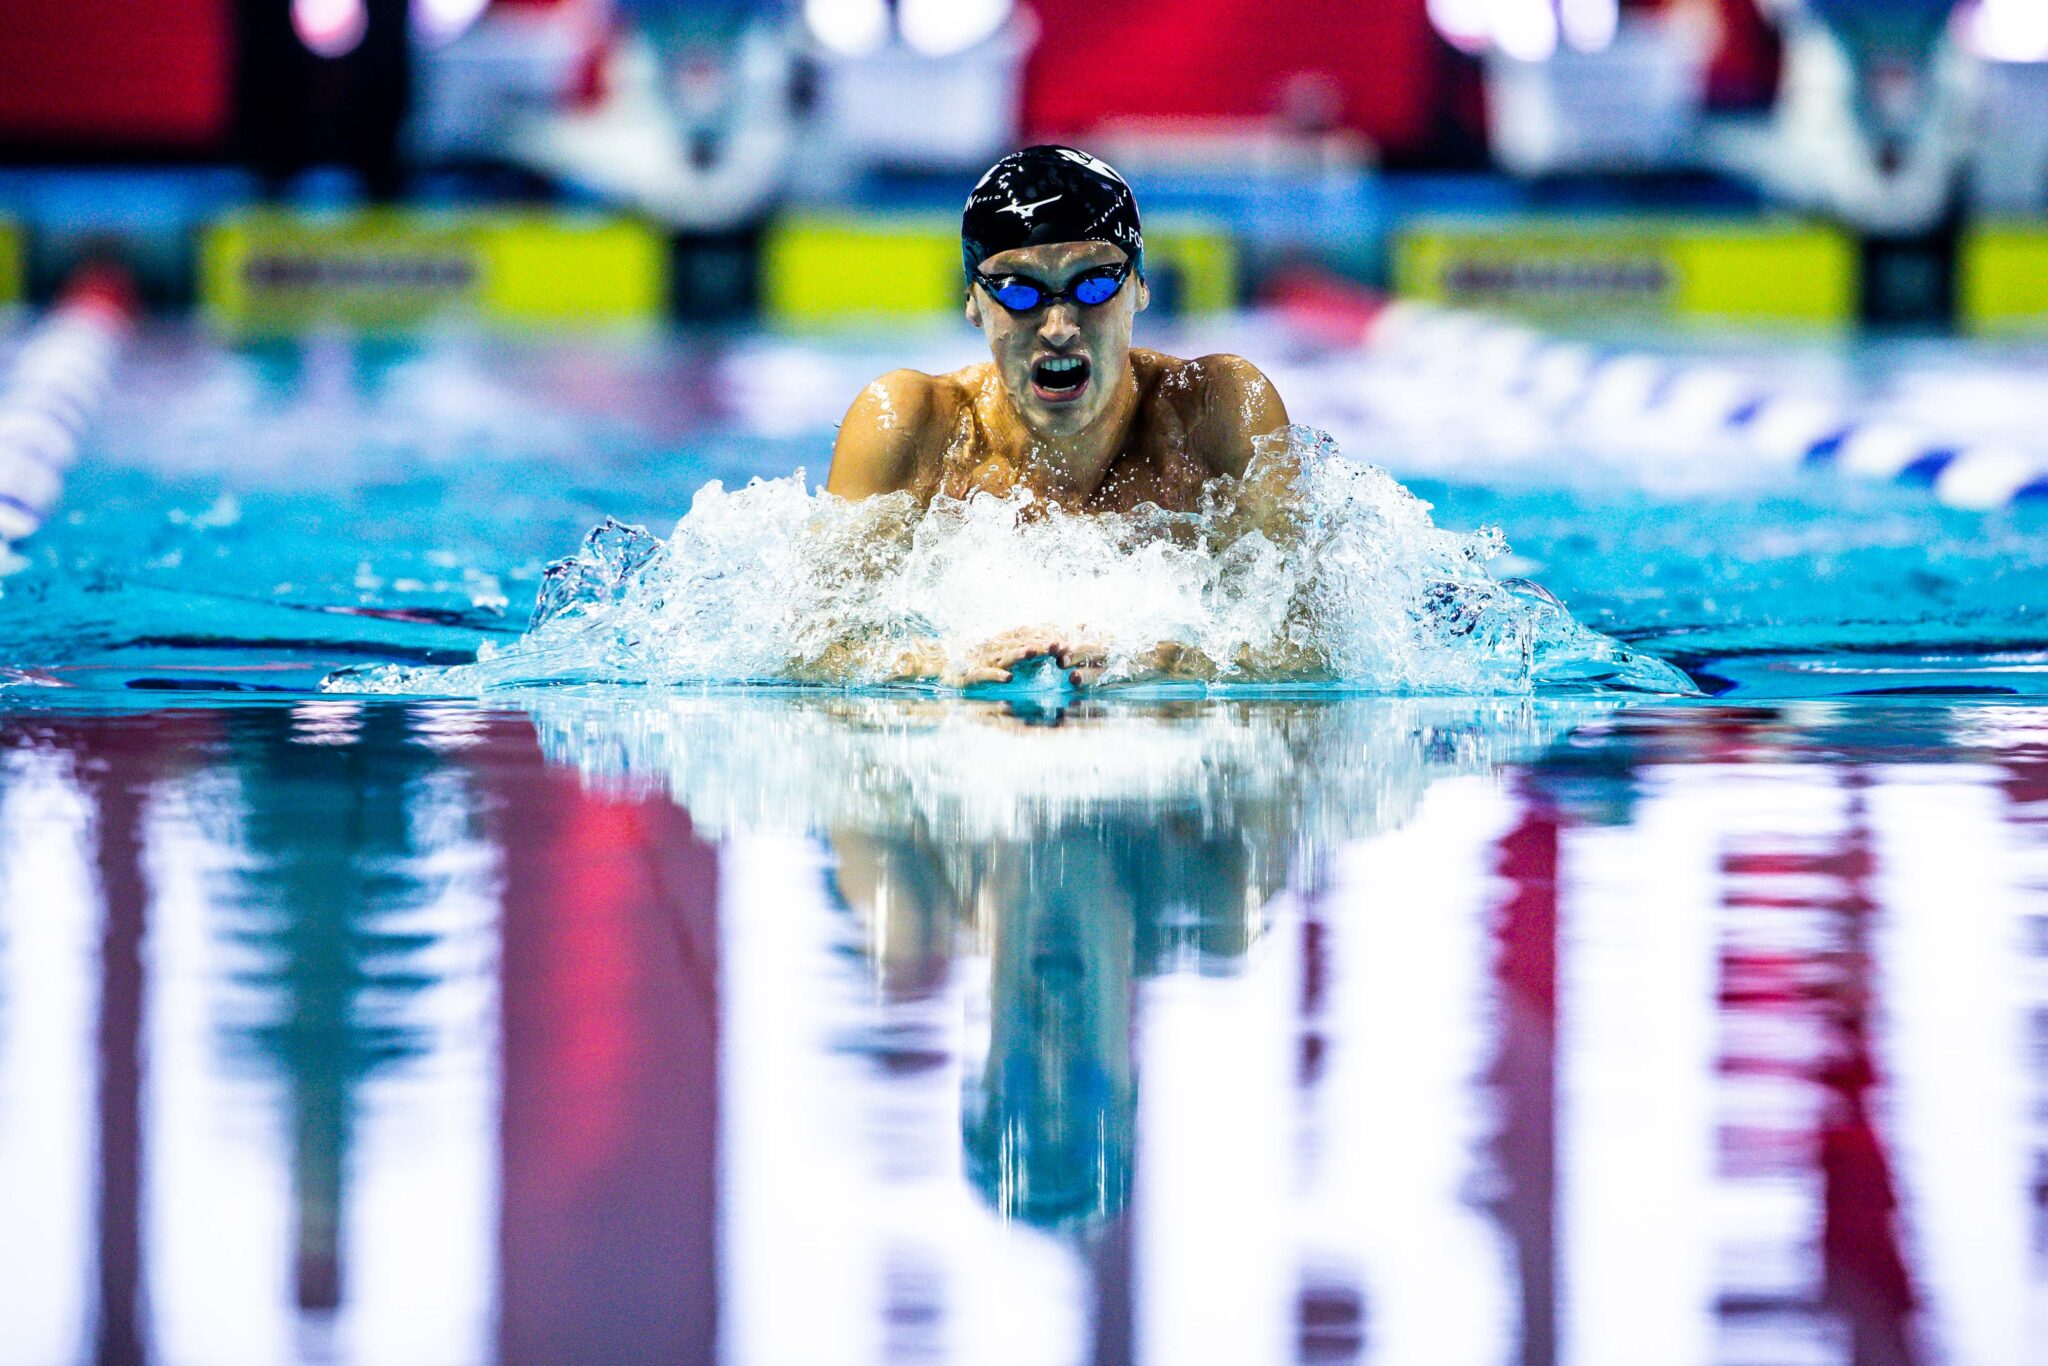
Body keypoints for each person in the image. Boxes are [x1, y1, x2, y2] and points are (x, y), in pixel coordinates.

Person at [825, 145, 1294, 686]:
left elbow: (1315, 643)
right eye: (1020, 291)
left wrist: (1170, 665)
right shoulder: (911, 425)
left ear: (1140, 285)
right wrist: (939, 666)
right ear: (974, 303)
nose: (1058, 326)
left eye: (1093, 284)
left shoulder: (1216, 412)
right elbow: (813, 647)